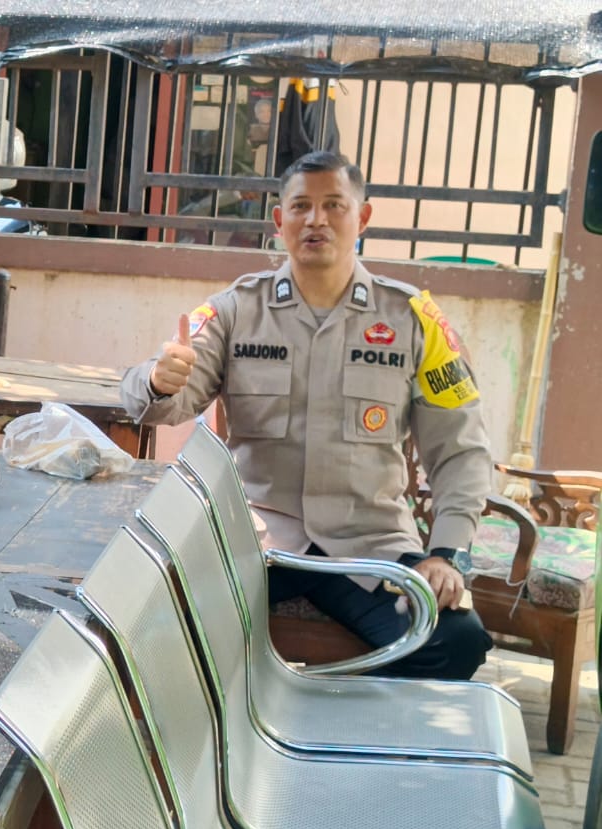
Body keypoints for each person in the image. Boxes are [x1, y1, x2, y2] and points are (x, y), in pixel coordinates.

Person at [120, 151, 494, 680]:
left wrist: (447, 554)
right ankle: (239, 724)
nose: (316, 219)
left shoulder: (413, 321)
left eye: (334, 205)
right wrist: (161, 381)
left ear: (362, 218)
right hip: (257, 540)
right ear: (280, 221)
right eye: (301, 207)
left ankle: (340, 725)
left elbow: (460, 449)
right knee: (151, 624)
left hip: (371, 546)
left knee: (455, 641)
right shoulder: (236, 310)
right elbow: (160, 397)